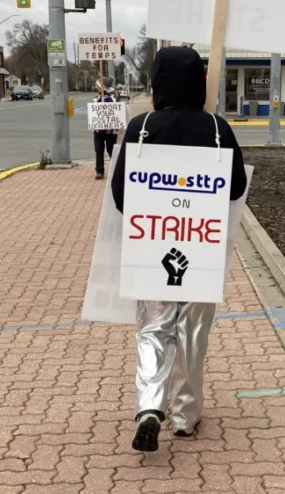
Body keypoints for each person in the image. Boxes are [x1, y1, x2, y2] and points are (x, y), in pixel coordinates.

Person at [110, 46, 248, 452]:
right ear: (199, 82)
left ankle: (150, 407)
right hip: (201, 250)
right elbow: (236, 188)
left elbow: (120, 195)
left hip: (151, 247)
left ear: (157, 81)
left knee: (154, 330)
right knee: (192, 334)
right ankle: (185, 418)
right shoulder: (218, 129)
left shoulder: (141, 126)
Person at [93, 77, 119, 180]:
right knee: (99, 150)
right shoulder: (97, 98)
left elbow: (116, 110)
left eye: (98, 86)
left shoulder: (113, 98)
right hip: (98, 130)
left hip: (110, 131)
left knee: (111, 150)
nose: (96, 88)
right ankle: (99, 171)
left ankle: (117, 170)